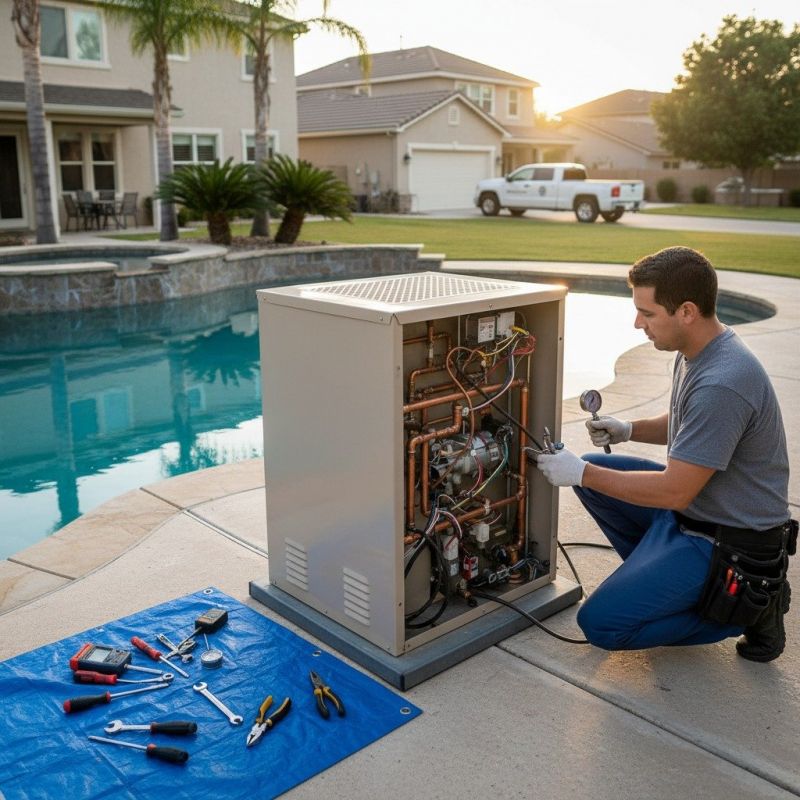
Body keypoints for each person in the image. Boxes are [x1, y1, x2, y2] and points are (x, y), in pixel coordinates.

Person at [534, 246, 794, 661]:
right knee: (599, 470)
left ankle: (746, 611)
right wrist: (628, 429)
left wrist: (578, 473)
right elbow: (689, 424)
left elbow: (674, 493)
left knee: (601, 624)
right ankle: (666, 580)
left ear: (686, 311)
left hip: (728, 540)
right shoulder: (699, 351)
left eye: (648, 313)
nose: (638, 323)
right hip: (701, 512)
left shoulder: (723, 382)